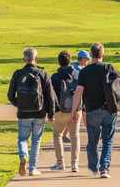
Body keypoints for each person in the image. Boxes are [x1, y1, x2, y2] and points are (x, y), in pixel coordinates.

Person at [72, 42, 120, 179]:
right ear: (103, 55)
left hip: (92, 110)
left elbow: (78, 92)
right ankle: (104, 168)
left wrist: (73, 111)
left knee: (92, 140)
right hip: (109, 109)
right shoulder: (109, 68)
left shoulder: (84, 72)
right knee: (108, 140)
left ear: (91, 55)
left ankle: (93, 166)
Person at [7, 47, 56, 177]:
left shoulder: (18, 74)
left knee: (22, 138)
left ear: (24, 59)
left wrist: (19, 104)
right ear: (36, 58)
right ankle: (32, 168)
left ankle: (23, 155)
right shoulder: (43, 74)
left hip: (23, 112)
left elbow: (10, 95)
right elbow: (50, 96)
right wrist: (51, 114)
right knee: (36, 140)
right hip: (39, 112)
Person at [49, 50, 81, 172]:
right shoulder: (78, 74)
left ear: (59, 63)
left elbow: (52, 96)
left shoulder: (55, 77)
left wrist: (51, 112)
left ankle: (60, 162)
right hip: (76, 108)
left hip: (60, 110)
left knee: (57, 134)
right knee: (75, 136)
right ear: (70, 60)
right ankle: (74, 164)